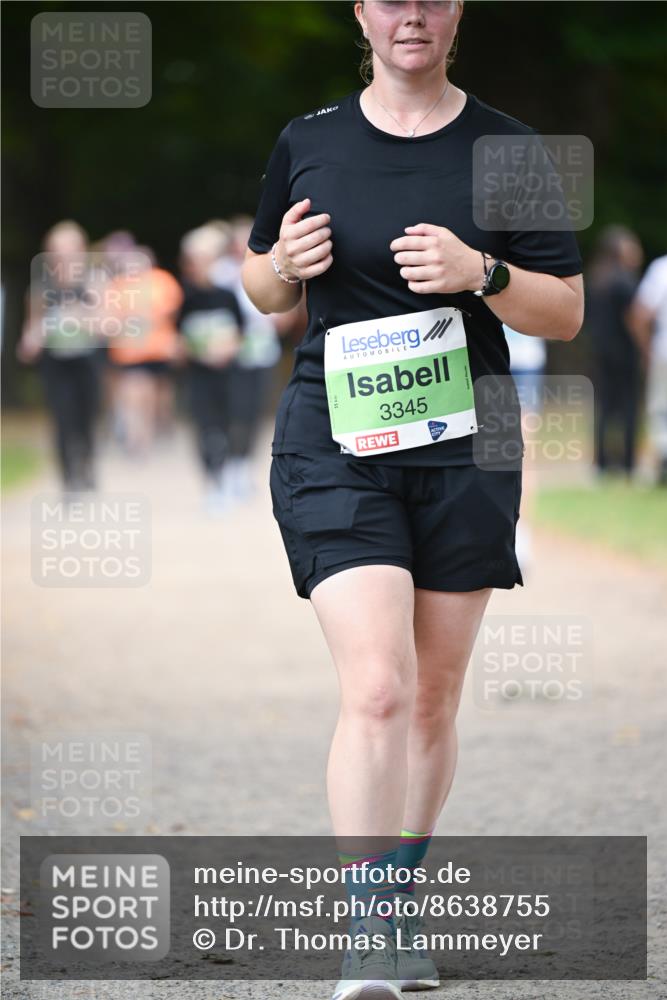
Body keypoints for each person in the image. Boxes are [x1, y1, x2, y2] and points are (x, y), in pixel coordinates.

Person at [242, 3, 583, 997]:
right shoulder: (308, 141)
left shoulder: (508, 149)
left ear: (456, 12)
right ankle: (370, 925)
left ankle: (399, 899)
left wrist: (484, 272)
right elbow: (263, 286)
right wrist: (281, 271)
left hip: (467, 440)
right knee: (380, 683)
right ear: (362, 10)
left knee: (431, 694)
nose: (412, 15)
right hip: (335, 440)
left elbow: (559, 310)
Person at [17, 221, 101, 492]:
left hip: (88, 362)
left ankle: (86, 463)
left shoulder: (94, 282)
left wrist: (80, 317)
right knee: (62, 419)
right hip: (55, 364)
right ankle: (69, 479)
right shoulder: (41, 288)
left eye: (69, 249)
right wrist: (31, 339)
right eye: (57, 250)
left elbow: (107, 323)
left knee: (86, 418)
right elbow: (33, 326)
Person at [210, 215, 283, 500]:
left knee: (254, 413)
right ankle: (226, 465)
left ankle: (242, 467)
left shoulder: (270, 265)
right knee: (232, 412)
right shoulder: (221, 273)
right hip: (231, 355)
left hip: (262, 353)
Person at [178, 224, 245, 510]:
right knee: (204, 428)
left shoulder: (226, 296)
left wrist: (226, 349)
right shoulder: (186, 298)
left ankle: (229, 473)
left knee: (228, 424)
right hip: (198, 375)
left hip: (227, 373)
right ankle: (211, 480)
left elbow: (240, 332)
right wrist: (196, 351)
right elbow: (176, 336)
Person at [107, 248, 183, 456]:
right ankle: (137, 437)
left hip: (159, 350)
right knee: (135, 392)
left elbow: (171, 312)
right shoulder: (119, 286)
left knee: (157, 395)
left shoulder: (161, 281)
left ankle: (156, 427)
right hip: (130, 352)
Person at [585, 225, 644, 477]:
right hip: (624, 351)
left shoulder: (597, 278)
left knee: (604, 407)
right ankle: (629, 463)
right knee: (629, 406)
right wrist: (645, 348)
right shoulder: (625, 280)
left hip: (600, 351)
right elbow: (634, 318)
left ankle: (601, 463)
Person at [628, 254, 667, 485]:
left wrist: (646, 349)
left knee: (661, 409)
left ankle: (663, 460)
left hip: (664, 350)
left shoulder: (661, 268)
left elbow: (641, 313)